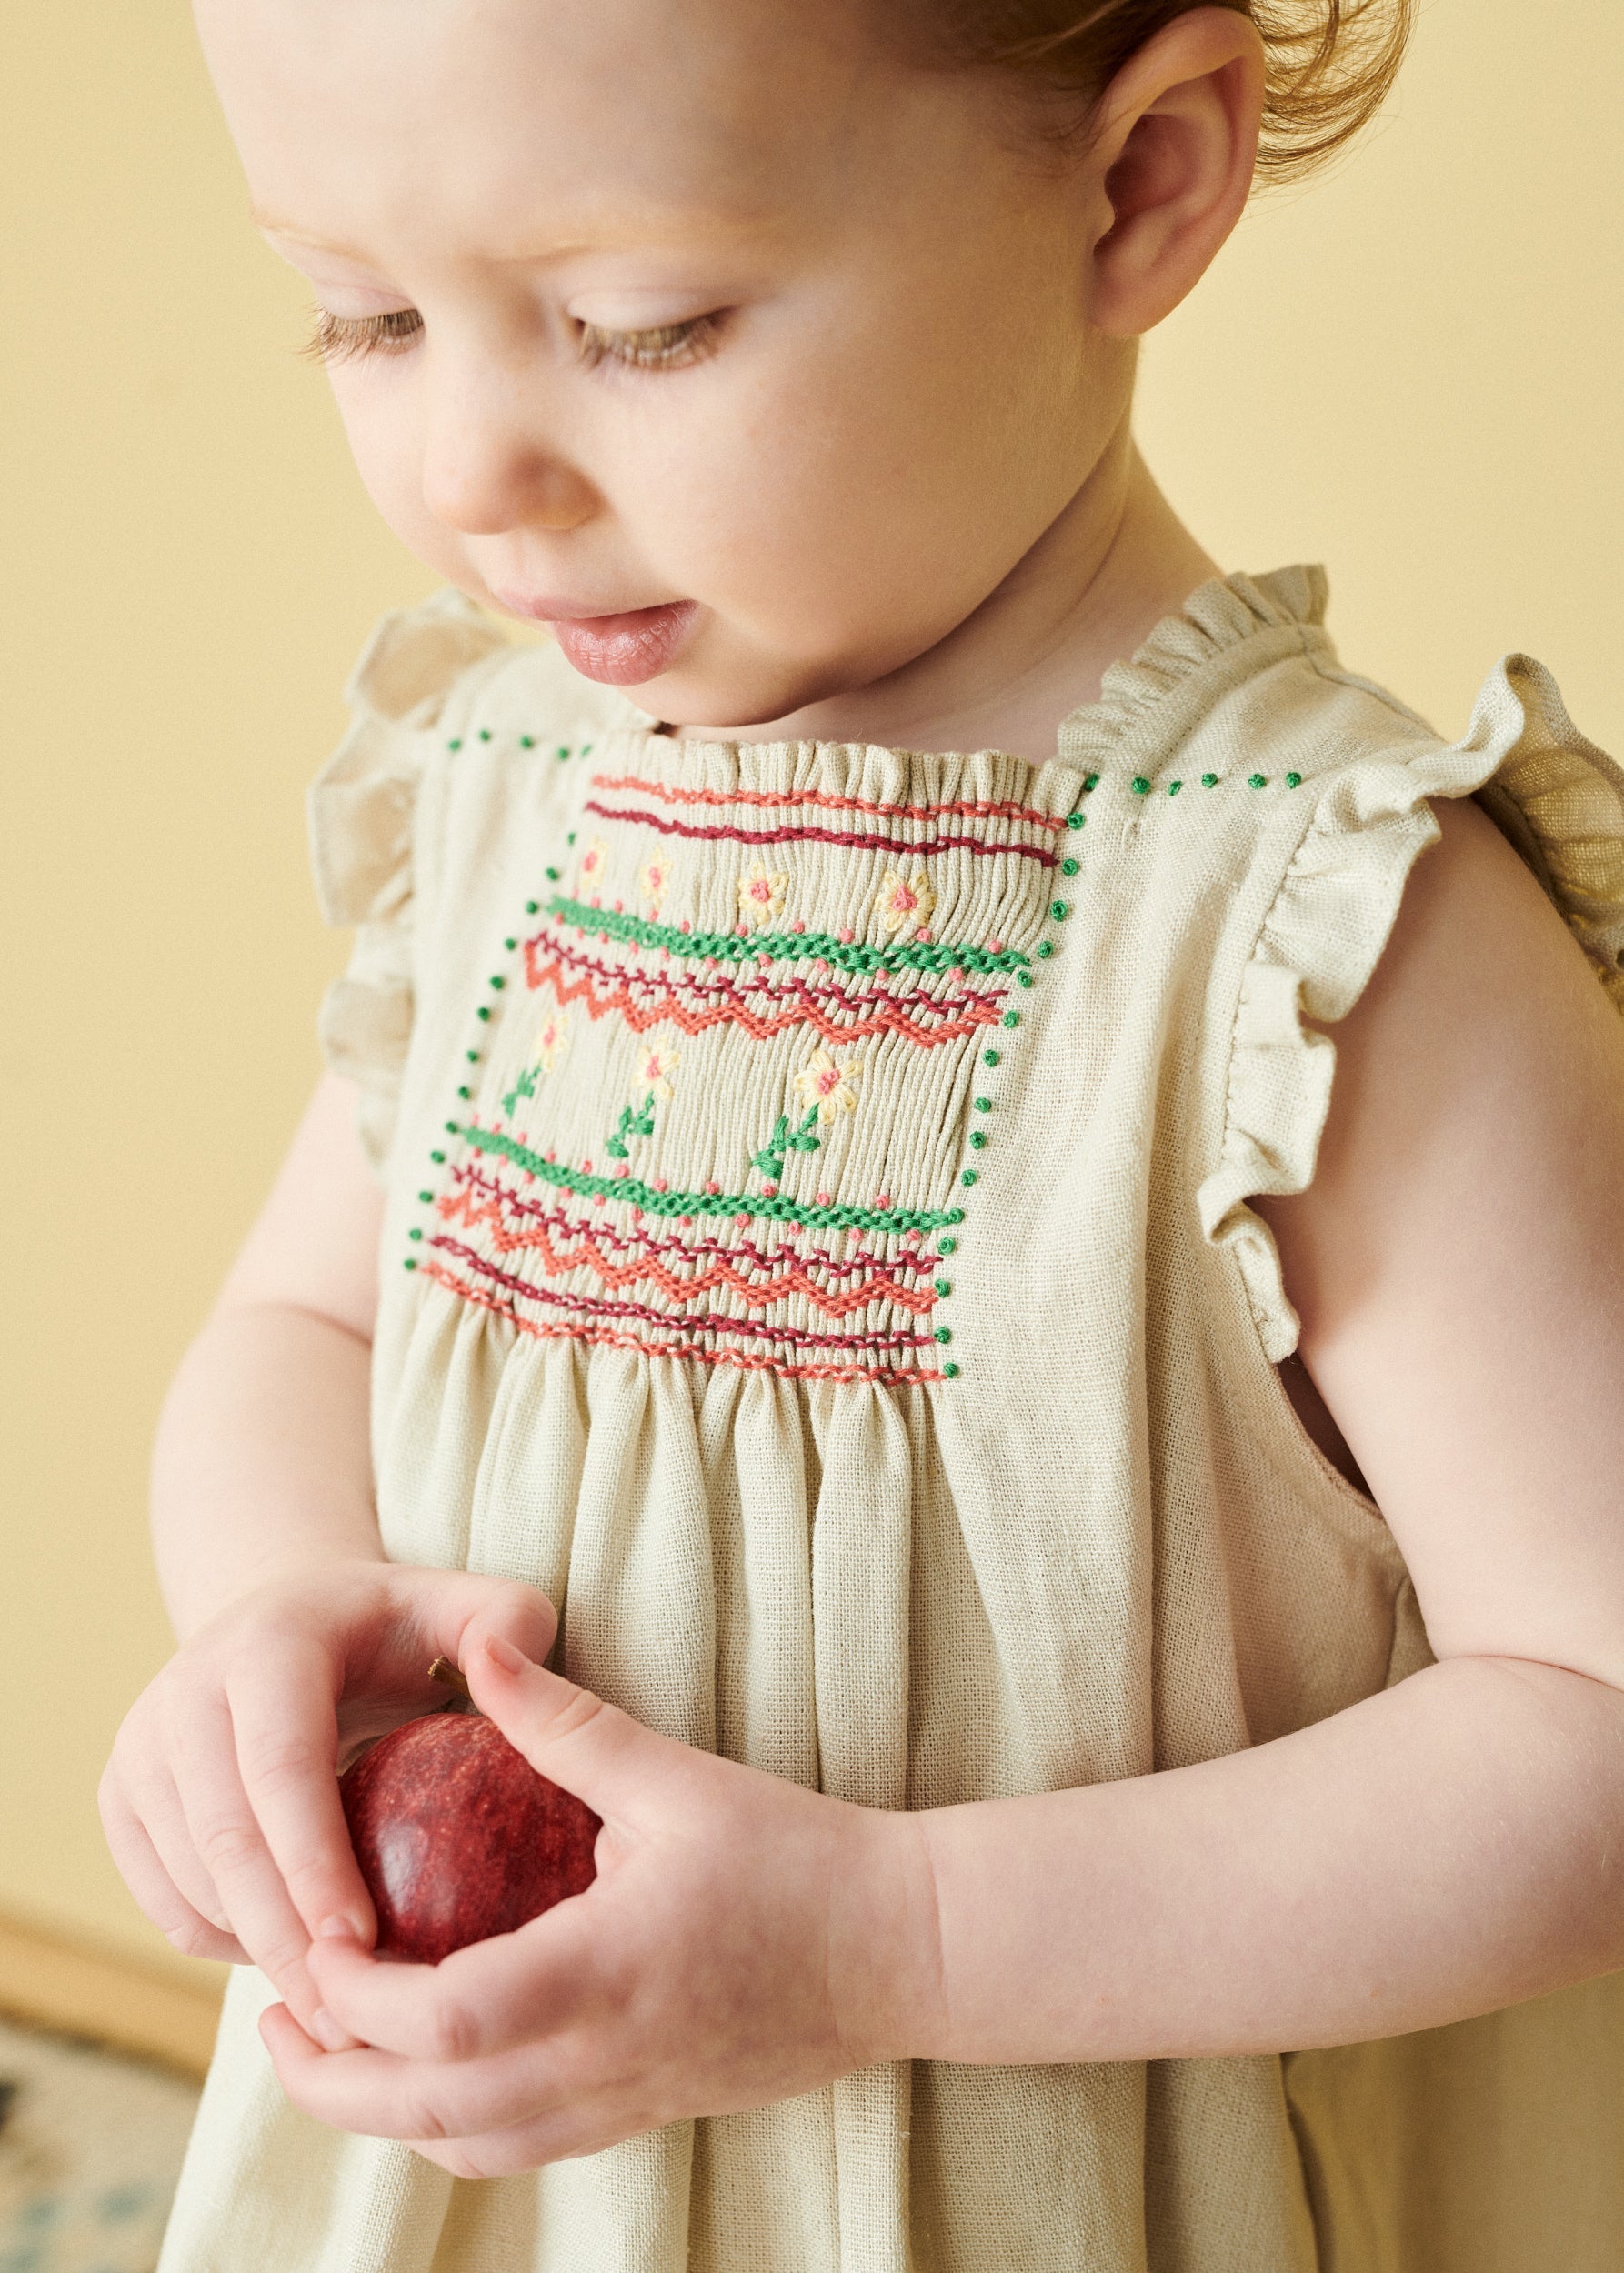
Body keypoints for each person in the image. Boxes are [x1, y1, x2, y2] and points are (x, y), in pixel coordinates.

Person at [101, 0, 1624, 2266]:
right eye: (370, 314)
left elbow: (1589, 1717)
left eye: (645, 326)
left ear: (1136, 184)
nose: (468, 469)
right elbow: (308, 1318)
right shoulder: (502, 798)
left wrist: (882, 1935)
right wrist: (263, 1610)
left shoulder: (1312, 935)